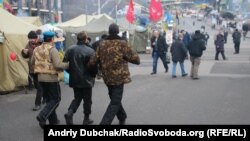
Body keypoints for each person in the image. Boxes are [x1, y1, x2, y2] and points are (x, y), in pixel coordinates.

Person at [88, 23, 140, 125]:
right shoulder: (122, 43)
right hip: (119, 77)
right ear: (117, 31)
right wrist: (126, 58)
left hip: (107, 77)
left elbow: (92, 61)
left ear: (109, 31)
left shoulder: (102, 44)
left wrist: (90, 68)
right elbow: (136, 59)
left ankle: (122, 116)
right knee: (115, 101)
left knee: (114, 98)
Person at [31, 31, 69, 129]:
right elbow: (58, 65)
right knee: (56, 99)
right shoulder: (53, 50)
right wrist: (69, 64)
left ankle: (54, 121)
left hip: (40, 78)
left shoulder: (36, 49)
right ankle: (42, 116)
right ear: (52, 39)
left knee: (49, 100)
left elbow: (32, 62)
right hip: (51, 79)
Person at [63, 31, 97, 125]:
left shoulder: (70, 49)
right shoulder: (90, 50)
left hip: (74, 78)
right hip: (87, 79)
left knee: (77, 98)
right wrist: (93, 75)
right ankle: (86, 118)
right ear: (86, 39)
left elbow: (65, 64)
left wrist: (71, 73)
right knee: (87, 100)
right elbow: (93, 66)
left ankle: (70, 112)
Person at [21, 31, 43, 111]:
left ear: (36, 37)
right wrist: (24, 52)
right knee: (38, 86)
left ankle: (37, 104)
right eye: (30, 39)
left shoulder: (41, 43)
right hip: (33, 69)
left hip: (41, 68)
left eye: (33, 38)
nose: (31, 40)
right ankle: (44, 97)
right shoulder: (28, 45)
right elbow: (25, 55)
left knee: (40, 87)